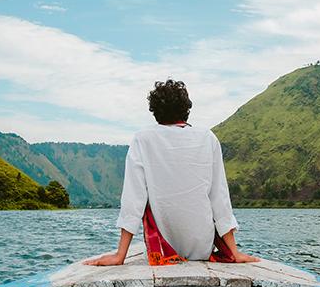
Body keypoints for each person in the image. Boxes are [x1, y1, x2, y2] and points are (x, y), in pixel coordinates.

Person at [86, 79, 259, 266]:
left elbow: (133, 199)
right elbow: (220, 198)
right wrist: (234, 253)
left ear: (155, 112)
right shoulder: (208, 138)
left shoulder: (143, 139)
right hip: (202, 247)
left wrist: (120, 255)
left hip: (163, 248)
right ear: (186, 110)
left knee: (147, 199)